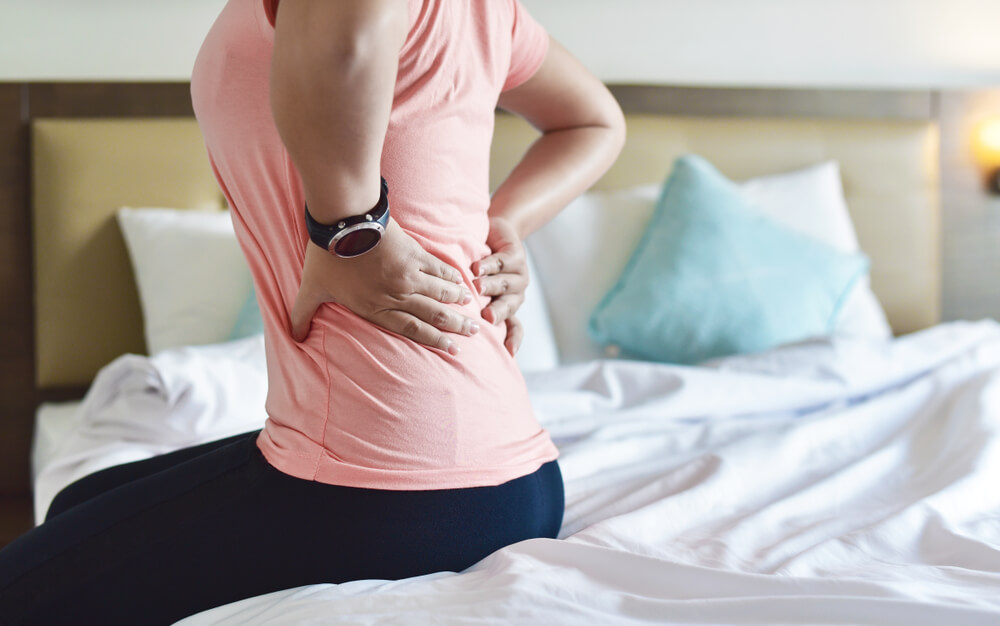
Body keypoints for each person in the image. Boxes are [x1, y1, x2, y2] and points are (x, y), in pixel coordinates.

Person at [0, 0, 625, 623]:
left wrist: (351, 230)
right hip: (520, 480)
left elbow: (347, 45)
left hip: (385, 486)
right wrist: (502, 221)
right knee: (80, 500)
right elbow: (595, 122)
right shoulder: (489, 9)